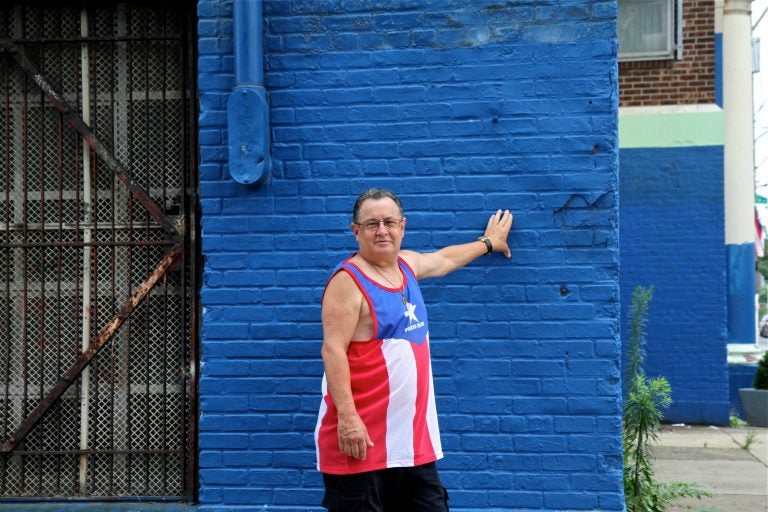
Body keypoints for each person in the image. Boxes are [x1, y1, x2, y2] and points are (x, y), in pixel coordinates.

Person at [314, 188, 513, 511]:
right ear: (356, 231)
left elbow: (444, 260)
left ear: (402, 226)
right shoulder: (348, 281)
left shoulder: (406, 265)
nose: (382, 231)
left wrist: (489, 243)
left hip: (410, 444)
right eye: (372, 224)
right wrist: (348, 419)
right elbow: (332, 350)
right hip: (361, 446)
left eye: (390, 222)